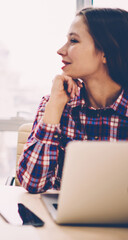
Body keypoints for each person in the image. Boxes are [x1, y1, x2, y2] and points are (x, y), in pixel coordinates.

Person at [17, 7, 128, 194]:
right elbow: (32, 183)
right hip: (64, 220)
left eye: (73, 41)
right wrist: (55, 107)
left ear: (106, 52)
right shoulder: (56, 103)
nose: (61, 50)